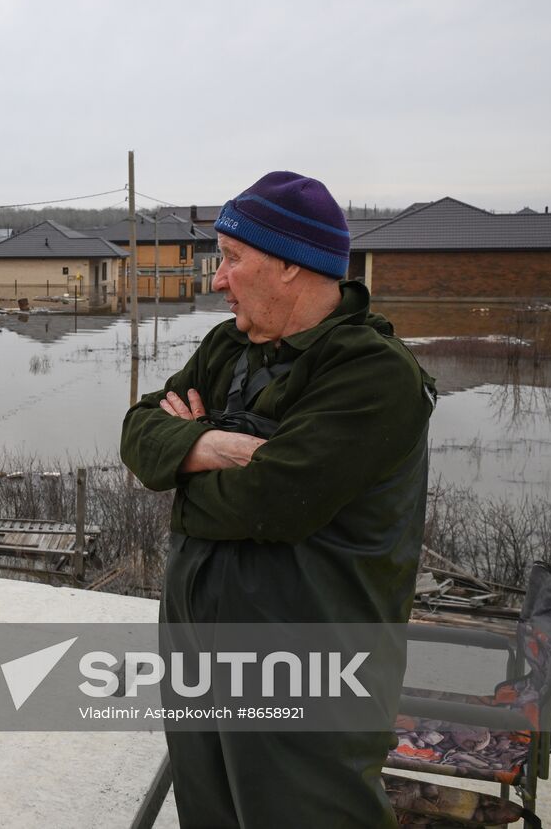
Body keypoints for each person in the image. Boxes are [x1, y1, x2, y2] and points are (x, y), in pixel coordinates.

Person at [120, 171, 436, 828]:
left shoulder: (375, 374)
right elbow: (138, 432)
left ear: (291, 264)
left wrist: (186, 464)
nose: (216, 279)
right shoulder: (228, 348)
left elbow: (273, 501)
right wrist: (219, 447)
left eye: (233, 259)